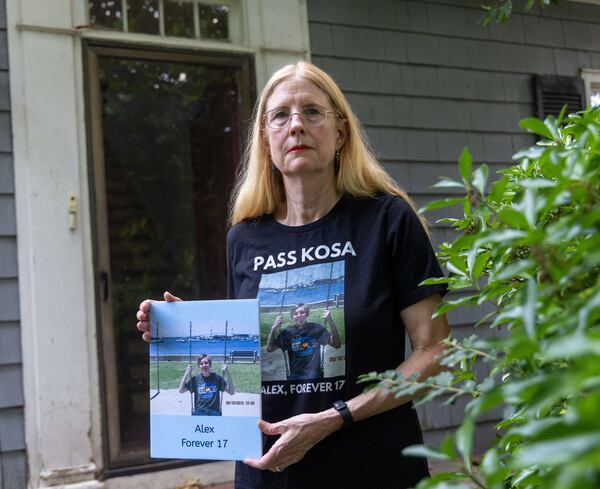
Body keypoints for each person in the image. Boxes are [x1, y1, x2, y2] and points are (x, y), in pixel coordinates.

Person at [137, 61, 450, 489]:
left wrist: (336, 417)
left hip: (373, 467)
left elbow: (435, 351)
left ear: (340, 133)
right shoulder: (243, 239)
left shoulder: (386, 219)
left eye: (312, 112)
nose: (296, 125)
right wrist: (190, 331)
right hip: (269, 470)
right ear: (266, 141)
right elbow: (248, 361)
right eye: (281, 115)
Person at [266, 303, 340, 380]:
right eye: (295, 314)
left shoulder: (316, 329)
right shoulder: (287, 333)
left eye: (302, 312)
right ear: (292, 317)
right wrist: (273, 328)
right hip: (295, 374)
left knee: (313, 377)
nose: (299, 315)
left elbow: (336, 344)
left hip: (314, 373)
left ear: (307, 314)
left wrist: (330, 321)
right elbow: (269, 349)